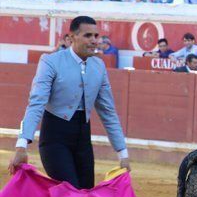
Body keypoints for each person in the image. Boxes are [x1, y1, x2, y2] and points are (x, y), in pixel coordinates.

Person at [8, 16, 129, 188]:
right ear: (71, 37)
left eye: (96, 36)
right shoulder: (50, 62)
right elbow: (36, 104)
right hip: (54, 139)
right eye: (88, 35)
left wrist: (122, 154)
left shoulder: (98, 66)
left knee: (85, 193)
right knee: (69, 192)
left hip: (83, 140)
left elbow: (108, 112)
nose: (94, 40)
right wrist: (22, 146)